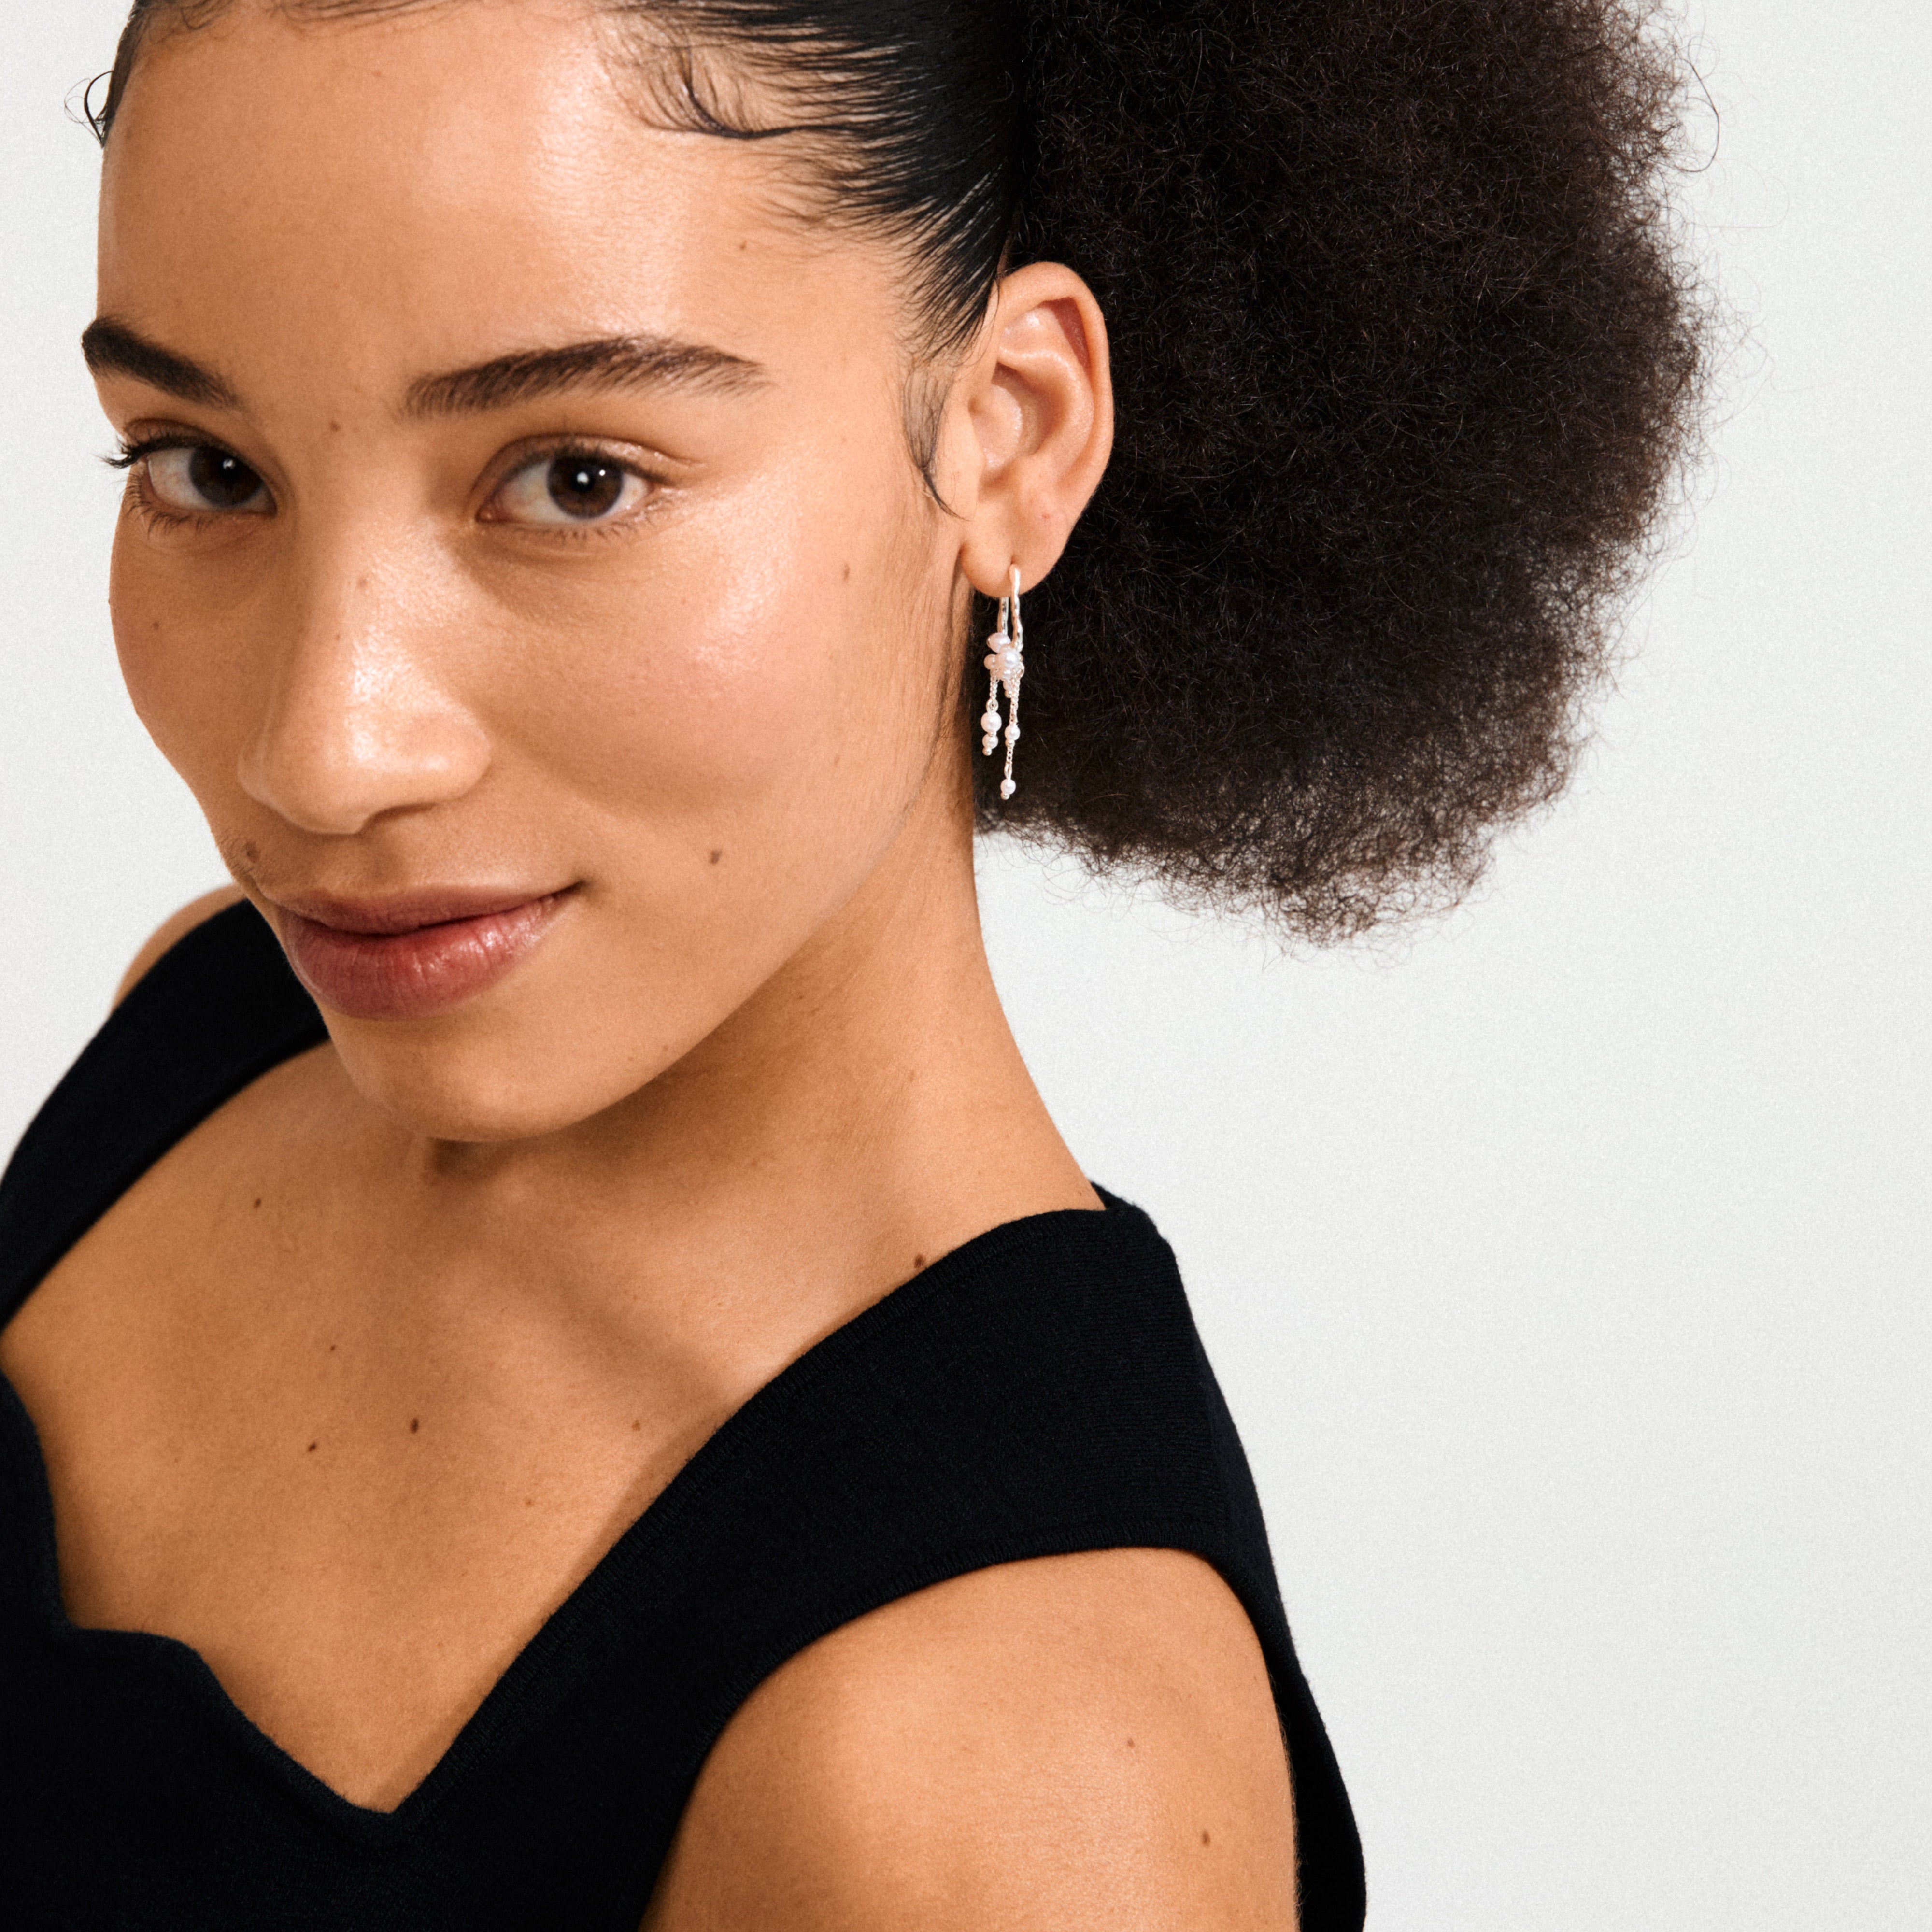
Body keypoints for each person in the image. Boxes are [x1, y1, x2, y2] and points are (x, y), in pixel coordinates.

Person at [0, 1, 1704, 1925]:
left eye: (574, 478)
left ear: (1010, 436)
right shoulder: (213, 1025)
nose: (319, 749)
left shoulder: (998, 1790)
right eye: (206, 469)